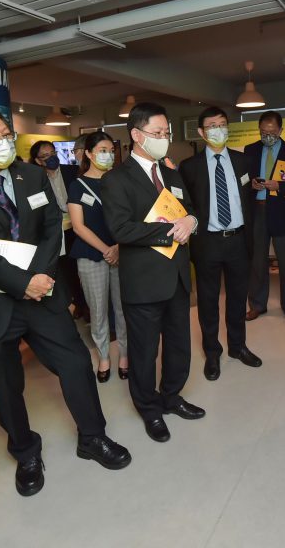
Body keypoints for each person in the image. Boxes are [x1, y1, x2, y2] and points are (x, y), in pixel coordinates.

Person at [0, 107, 130, 498]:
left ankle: (93, 436)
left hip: (44, 294)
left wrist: (41, 278)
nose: (5, 141)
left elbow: (51, 225)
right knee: (7, 386)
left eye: (6, 133)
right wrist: (23, 282)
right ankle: (25, 452)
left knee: (75, 364)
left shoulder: (32, 174)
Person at [100, 102, 205, 443]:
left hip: (176, 275)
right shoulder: (116, 179)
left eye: (166, 133)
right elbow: (121, 229)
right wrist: (170, 230)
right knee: (144, 352)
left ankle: (172, 396)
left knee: (179, 345)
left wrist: (191, 220)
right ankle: (149, 409)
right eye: (157, 133)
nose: (164, 138)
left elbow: (188, 210)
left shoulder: (172, 174)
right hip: (143, 281)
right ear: (136, 135)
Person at [179, 106, 262, 381]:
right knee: (208, 301)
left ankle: (238, 347)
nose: (218, 130)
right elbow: (185, 207)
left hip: (239, 241)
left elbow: (249, 200)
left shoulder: (244, 161)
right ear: (202, 132)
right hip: (207, 243)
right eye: (212, 126)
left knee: (238, 298)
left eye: (222, 124)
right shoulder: (189, 167)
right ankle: (212, 353)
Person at [66, 131, 128, 383]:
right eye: (102, 151)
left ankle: (124, 354)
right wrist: (107, 249)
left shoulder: (121, 180)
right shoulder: (77, 185)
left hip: (123, 252)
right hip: (92, 255)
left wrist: (119, 247)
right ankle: (104, 355)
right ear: (88, 154)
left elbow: (131, 219)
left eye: (111, 151)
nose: (108, 155)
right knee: (98, 310)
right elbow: (79, 227)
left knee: (124, 309)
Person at [244, 111, 285, 324]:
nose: (267, 136)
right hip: (257, 211)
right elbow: (243, 178)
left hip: (281, 212)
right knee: (257, 262)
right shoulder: (250, 150)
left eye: (271, 132)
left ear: (280, 130)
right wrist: (250, 184)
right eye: (263, 132)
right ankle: (257, 305)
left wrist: (279, 186)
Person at [29, 139, 88, 321]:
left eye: (53, 154)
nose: (51, 158)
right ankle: (77, 305)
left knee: (82, 269)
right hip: (56, 231)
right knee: (65, 270)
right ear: (38, 161)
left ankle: (86, 306)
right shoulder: (35, 179)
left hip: (77, 227)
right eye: (45, 156)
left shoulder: (72, 171)